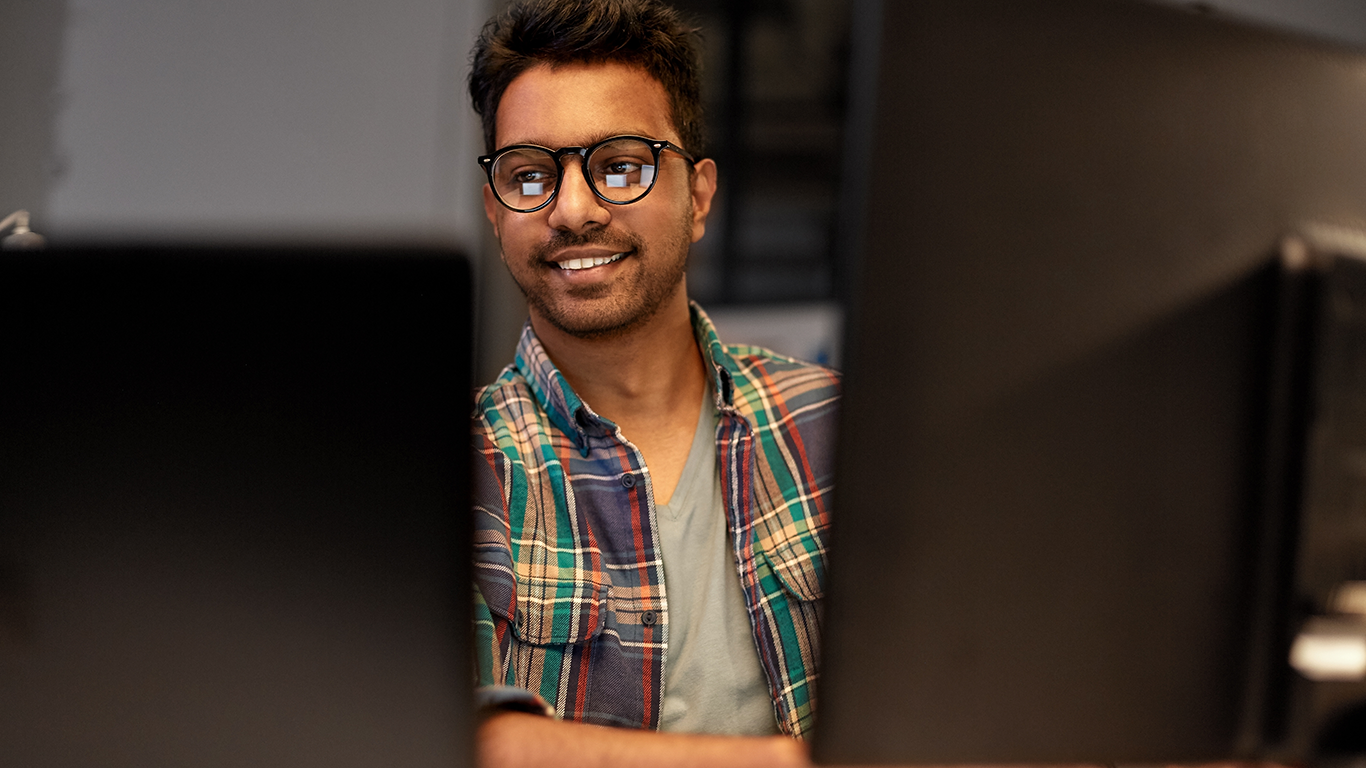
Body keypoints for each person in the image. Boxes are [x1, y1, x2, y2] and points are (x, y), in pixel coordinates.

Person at [466, 0, 840, 765]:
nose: (572, 211)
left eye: (621, 167)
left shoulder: (839, 427)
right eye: (530, 176)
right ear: (495, 211)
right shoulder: (454, 474)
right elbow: (465, 742)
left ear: (699, 196)